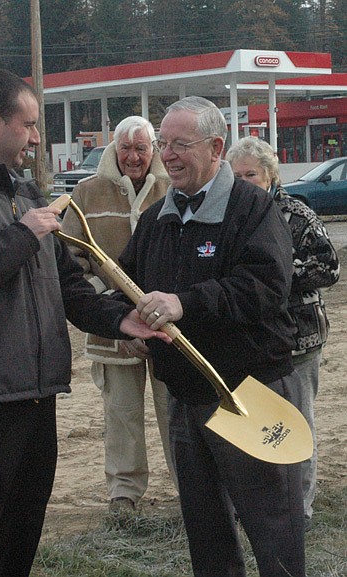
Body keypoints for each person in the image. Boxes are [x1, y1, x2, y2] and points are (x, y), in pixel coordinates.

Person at [0, 69, 169, 577]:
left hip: (37, 394)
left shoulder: (27, 193)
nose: (37, 138)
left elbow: (66, 286)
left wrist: (122, 318)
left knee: (19, 540)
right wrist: (21, 235)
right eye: (29, 125)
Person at [118, 96, 306, 577]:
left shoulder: (254, 208)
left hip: (250, 392)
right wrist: (130, 326)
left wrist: (186, 303)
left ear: (217, 146)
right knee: (206, 531)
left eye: (181, 144)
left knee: (272, 527)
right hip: (185, 398)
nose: (169, 155)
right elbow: (127, 280)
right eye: (164, 144)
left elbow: (265, 286)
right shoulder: (159, 216)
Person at [62, 116, 177, 512]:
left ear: (154, 150)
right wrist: (106, 307)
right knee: (122, 415)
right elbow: (70, 262)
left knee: (176, 412)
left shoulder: (173, 189)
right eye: (125, 148)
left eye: (142, 148)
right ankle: (123, 493)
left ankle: (191, 487)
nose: (134, 157)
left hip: (169, 328)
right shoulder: (87, 193)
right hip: (111, 328)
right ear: (114, 149)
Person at [226, 136, 340, 527]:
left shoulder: (295, 214)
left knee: (297, 424)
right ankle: (253, 507)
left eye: (251, 174)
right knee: (256, 426)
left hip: (299, 339)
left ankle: (300, 508)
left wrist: (277, 276)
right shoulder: (228, 214)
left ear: (271, 176)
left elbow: (330, 267)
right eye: (236, 175)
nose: (243, 181)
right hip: (247, 340)